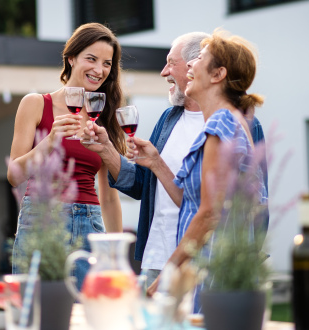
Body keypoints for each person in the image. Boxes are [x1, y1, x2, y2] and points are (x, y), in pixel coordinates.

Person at [82, 32, 268, 289]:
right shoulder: (169, 120)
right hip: (164, 255)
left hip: (206, 263)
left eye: (172, 62)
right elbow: (174, 194)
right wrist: (111, 151)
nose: (163, 71)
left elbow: (222, 210)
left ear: (216, 74)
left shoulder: (227, 122)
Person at [130, 30, 268, 309]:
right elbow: (197, 203)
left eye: (199, 59)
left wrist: (167, 275)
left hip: (210, 275)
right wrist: (156, 162)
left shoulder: (220, 127)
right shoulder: (231, 122)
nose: (190, 65)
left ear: (217, 75)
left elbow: (208, 214)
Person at [7, 23, 127, 288]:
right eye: (91, 59)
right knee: (36, 308)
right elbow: (14, 175)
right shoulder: (36, 104)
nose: (99, 70)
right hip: (43, 220)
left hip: (90, 223)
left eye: (107, 63)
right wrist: (49, 143)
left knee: (89, 313)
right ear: (71, 58)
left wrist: (115, 257)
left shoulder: (104, 115)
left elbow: (109, 196)